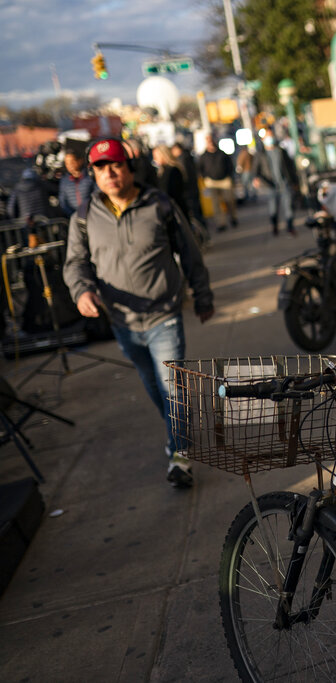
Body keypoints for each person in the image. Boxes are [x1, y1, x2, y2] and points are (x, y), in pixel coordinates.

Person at [63, 138, 215, 488]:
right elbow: (75, 263)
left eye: (116, 164)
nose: (110, 173)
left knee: (172, 387)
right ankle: (178, 435)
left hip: (164, 315)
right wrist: (82, 290)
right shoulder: (84, 216)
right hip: (123, 323)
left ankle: (180, 456)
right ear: (93, 175)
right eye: (101, 167)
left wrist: (202, 295)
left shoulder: (160, 203)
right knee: (153, 387)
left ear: (130, 168)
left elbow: (189, 252)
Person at [252, 131, 299, 236]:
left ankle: (290, 227)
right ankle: (274, 226)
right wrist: (256, 178)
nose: (270, 139)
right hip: (270, 185)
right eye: (267, 137)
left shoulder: (281, 151)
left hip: (284, 183)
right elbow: (256, 169)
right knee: (273, 208)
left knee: (288, 207)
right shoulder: (261, 154)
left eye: (271, 136)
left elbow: (290, 167)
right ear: (263, 140)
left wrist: (295, 181)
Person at [197, 136, 238, 232]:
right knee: (216, 204)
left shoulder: (222, 153)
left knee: (229, 200)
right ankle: (221, 223)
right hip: (211, 182)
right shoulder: (204, 156)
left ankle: (233, 217)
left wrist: (229, 176)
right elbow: (200, 168)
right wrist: (205, 177)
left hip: (224, 180)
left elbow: (229, 165)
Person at [171, 141, 205, 230]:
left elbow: (185, 176)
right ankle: (203, 231)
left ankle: (201, 233)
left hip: (189, 191)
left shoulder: (182, 160)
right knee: (197, 212)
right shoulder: (188, 157)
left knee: (194, 213)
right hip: (193, 189)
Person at [57, 149, 95, 217]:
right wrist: (74, 215)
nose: (70, 165)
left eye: (72, 161)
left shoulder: (90, 176)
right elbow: (63, 202)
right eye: (67, 163)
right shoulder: (64, 181)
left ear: (80, 161)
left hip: (92, 214)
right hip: (73, 216)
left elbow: (97, 194)